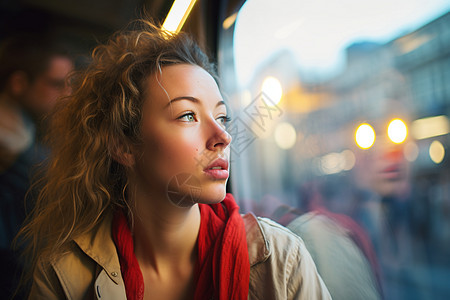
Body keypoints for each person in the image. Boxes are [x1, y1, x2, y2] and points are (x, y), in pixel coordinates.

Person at [17, 21, 331, 299]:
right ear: (123, 145)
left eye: (223, 117)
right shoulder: (64, 276)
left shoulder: (280, 260)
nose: (223, 137)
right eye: (187, 115)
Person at [0, 34, 73, 297]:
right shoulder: (12, 148)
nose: (68, 95)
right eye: (57, 85)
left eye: (69, 85)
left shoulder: (27, 134)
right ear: (19, 83)